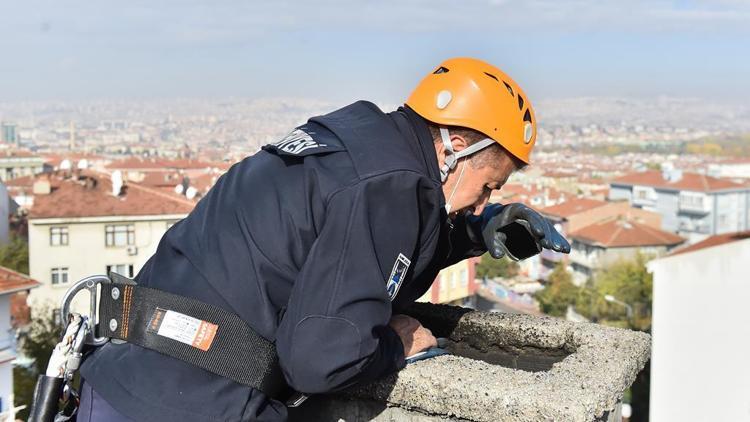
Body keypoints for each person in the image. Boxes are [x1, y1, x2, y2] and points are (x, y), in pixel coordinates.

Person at [76, 57, 570, 422]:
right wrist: (395, 345)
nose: (484, 201)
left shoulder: (361, 140)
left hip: (126, 377)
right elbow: (321, 360)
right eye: (489, 186)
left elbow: (357, 252)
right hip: (197, 403)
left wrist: (474, 231)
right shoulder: (393, 188)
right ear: (457, 147)